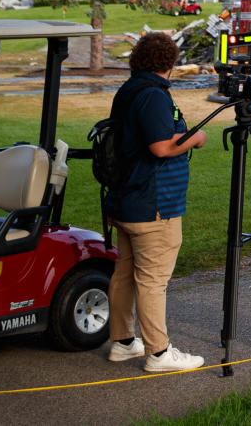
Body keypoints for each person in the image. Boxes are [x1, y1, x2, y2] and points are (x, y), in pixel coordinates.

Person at [104, 31, 208, 372]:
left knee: (125, 272)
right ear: (170, 62)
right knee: (151, 280)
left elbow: (149, 139)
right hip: (152, 203)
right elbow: (161, 147)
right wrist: (194, 139)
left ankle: (122, 343)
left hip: (128, 197)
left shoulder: (130, 89)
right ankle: (159, 353)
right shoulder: (152, 95)